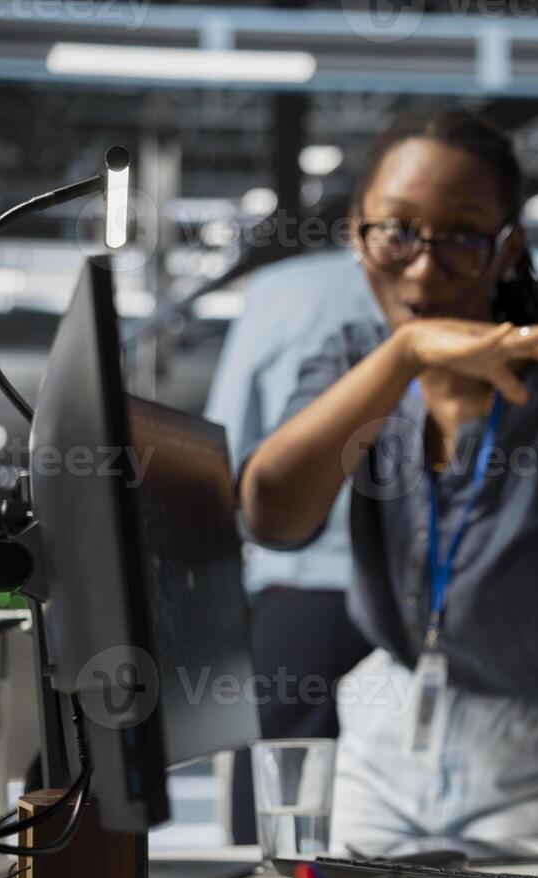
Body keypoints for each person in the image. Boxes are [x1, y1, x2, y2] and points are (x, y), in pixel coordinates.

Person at [238, 108, 538, 872]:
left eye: (463, 236)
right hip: (380, 740)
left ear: (506, 248)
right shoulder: (351, 361)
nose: (424, 268)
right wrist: (405, 354)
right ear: (357, 234)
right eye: (397, 232)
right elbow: (274, 516)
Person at [205, 249, 378, 845]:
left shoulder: (280, 290)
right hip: (418, 605)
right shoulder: (453, 289)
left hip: (301, 591)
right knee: (387, 819)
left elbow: (224, 445)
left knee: (275, 815)